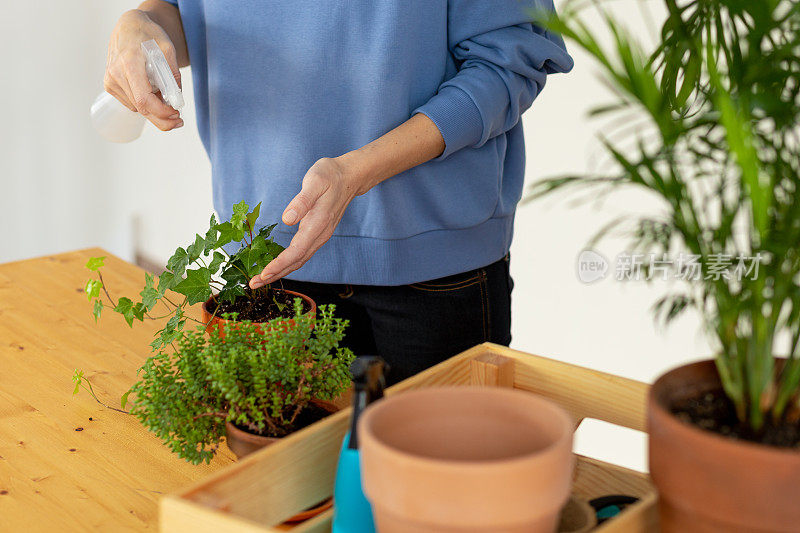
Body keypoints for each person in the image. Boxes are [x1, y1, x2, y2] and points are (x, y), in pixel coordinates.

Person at [104, 1, 573, 384]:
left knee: (444, 494)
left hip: (431, 273)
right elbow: (193, 15)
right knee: (283, 488)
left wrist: (356, 173)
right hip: (266, 256)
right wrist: (139, 24)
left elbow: (508, 63)